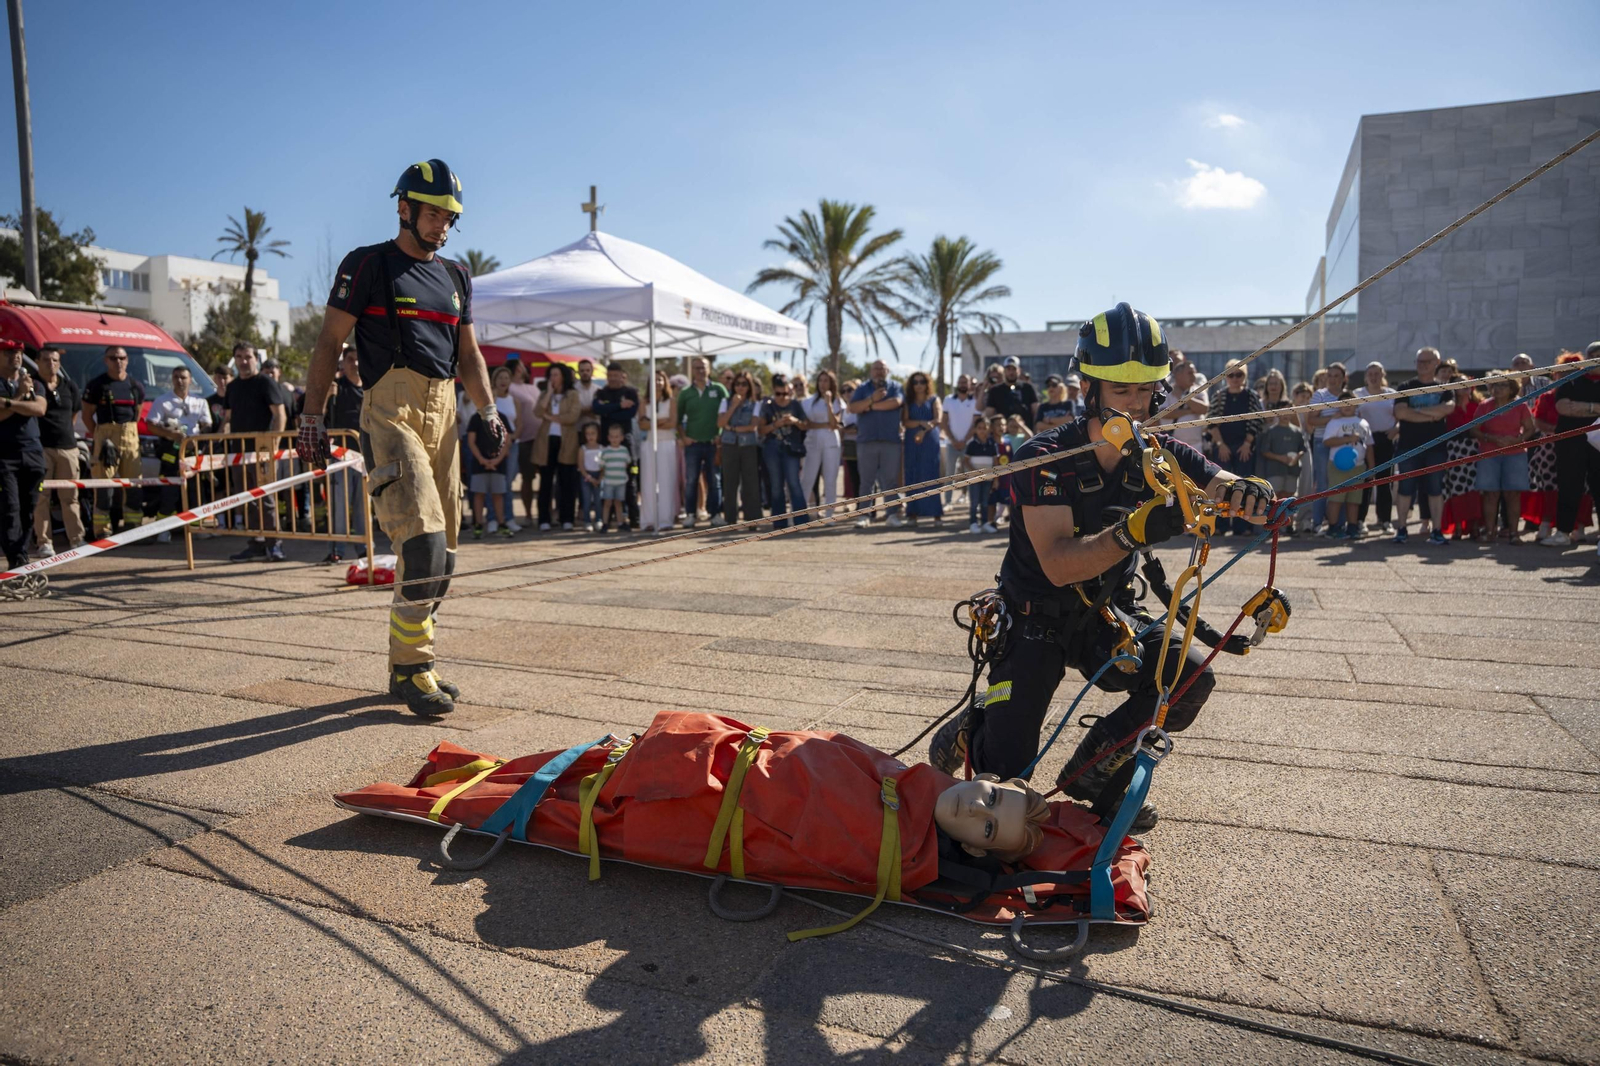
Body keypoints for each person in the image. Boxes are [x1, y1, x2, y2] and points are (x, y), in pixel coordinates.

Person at [929, 303, 1273, 833]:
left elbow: (1217, 480)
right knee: (1003, 789)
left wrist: (1249, 492)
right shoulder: (1045, 456)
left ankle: (1094, 776)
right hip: (1032, 619)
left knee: (1187, 676)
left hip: (1107, 617)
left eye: (1145, 390)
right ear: (1090, 386)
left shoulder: (1161, 456)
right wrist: (1133, 531)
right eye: (1121, 392)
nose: (1136, 405)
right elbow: (1061, 564)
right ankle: (974, 726)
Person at [336, 710, 1152, 925]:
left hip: (701, 808)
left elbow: (805, 822)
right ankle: (465, 774)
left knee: (559, 806)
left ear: (969, 849)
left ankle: (434, 793)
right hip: (710, 760)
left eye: (985, 827)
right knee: (572, 772)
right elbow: (816, 755)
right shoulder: (905, 779)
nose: (977, 806)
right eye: (994, 796)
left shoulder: (897, 847)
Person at [296, 158, 506, 716]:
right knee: (422, 542)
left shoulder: (457, 276)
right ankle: (412, 668)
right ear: (404, 208)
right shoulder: (367, 265)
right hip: (389, 411)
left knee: (448, 555)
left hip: (445, 412)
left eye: (450, 216)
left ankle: (415, 663)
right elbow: (327, 345)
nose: (442, 225)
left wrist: (488, 410)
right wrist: (311, 417)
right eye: (434, 213)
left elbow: (470, 354)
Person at [225, 344, 290, 561]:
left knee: (267, 500)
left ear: (256, 358)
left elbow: (280, 415)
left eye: (248, 357)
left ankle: (274, 545)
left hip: (263, 453)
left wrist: (273, 445)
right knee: (247, 500)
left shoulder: (265, 382)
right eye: (239, 357)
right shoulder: (232, 387)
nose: (244, 361)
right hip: (238, 454)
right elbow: (227, 419)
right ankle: (255, 544)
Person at [1390, 347, 1455, 546]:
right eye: (1419, 361)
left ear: (1437, 363)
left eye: (1427, 361)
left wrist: (1415, 411)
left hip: (1436, 447)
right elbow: (1400, 413)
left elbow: (1447, 409)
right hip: (1408, 446)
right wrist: (1432, 414)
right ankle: (1401, 529)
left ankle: (1436, 530)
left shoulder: (1444, 389)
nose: (1423, 365)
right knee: (1405, 488)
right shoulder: (1405, 386)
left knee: (1435, 488)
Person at [81, 345, 146, 536]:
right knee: (103, 486)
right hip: (105, 435)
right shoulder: (97, 385)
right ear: (105, 360)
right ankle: (102, 531)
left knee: (134, 485)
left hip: (130, 435)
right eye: (113, 358)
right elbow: (86, 416)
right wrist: (100, 438)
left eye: (122, 358)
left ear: (127, 360)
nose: (118, 362)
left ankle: (133, 529)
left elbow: (137, 414)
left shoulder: (136, 386)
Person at [1541, 340, 1600, 548]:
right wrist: (1596, 408)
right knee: (1568, 486)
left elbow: (1572, 407)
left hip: (1598, 445)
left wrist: (1581, 408)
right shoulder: (1572, 379)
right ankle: (1563, 532)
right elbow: (1563, 407)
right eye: (1594, 355)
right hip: (1570, 442)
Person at [0, 339, 46, 595]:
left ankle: (21, 558)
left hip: (33, 454)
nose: (15, 357)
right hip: (4, 456)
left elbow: (39, 409)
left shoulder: (34, 382)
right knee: (10, 508)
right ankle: (15, 562)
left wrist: (7, 403)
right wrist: (18, 398)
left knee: (29, 509)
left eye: (18, 353)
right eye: (8, 353)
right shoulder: (16, 386)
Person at [146, 366, 213, 542]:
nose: (180, 380)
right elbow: (151, 424)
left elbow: (207, 425)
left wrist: (197, 441)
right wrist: (170, 434)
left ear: (190, 380)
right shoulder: (163, 401)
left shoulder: (200, 402)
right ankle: (163, 529)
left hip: (193, 451)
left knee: (195, 490)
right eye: (176, 377)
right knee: (170, 490)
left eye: (183, 377)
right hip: (171, 452)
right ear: (172, 380)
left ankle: (195, 527)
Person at [30, 345, 85, 556]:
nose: (50, 364)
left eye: (54, 360)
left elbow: (73, 415)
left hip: (68, 448)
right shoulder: (32, 384)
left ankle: (77, 539)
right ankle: (44, 542)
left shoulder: (69, 386)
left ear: (59, 363)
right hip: (41, 448)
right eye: (45, 360)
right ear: (38, 361)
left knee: (70, 497)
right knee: (41, 498)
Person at [1472, 371, 1536, 543]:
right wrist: (1490, 438)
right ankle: (1490, 532)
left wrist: (1518, 439)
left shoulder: (1520, 405)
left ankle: (1514, 533)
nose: (1498, 388)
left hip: (1515, 454)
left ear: (1511, 387)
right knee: (1490, 494)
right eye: (1494, 385)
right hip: (1489, 453)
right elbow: (1474, 428)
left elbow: (1530, 428)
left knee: (1513, 494)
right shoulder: (1485, 405)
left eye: (1502, 385)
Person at [1207, 360, 1264, 535]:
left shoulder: (1251, 395)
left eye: (1239, 374)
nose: (1235, 378)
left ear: (1245, 377)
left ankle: (1241, 526)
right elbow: (1211, 422)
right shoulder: (1218, 396)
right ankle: (1220, 525)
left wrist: (1247, 444)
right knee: (1220, 484)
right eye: (1231, 374)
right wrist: (1220, 445)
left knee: (1244, 484)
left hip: (1243, 447)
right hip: (1222, 445)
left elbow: (1257, 420)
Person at [321, 344, 366, 564]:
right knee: (339, 505)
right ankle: (337, 548)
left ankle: (364, 547)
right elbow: (318, 415)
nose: (355, 364)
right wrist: (327, 396)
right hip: (340, 456)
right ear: (344, 362)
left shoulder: (369, 388)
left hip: (364, 457)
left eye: (358, 360)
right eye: (350, 359)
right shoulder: (335, 388)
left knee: (362, 506)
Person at [848, 361, 905, 528]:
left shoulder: (896, 386)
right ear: (871, 371)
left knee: (890, 480)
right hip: (867, 440)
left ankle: (891, 514)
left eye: (882, 369)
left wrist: (869, 405)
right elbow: (853, 408)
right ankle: (864, 515)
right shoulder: (862, 388)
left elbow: (895, 402)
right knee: (866, 481)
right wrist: (872, 399)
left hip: (890, 440)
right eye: (876, 369)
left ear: (888, 370)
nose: (879, 372)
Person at [757, 374, 809, 531]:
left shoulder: (795, 405)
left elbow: (806, 425)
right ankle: (780, 523)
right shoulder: (767, 405)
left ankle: (801, 521)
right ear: (773, 391)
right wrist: (776, 424)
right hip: (772, 447)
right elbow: (761, 430)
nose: (782, 397)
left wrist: (795, 421)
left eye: (785, 393)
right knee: (776, 485)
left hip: (791, 448)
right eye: (778, 394)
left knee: (794, 483)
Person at [678, 357, 726, 526]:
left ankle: (715, 514)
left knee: (715, 480)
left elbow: (727, 414)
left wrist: (721, 434)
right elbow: (677, 420)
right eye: (697, 368)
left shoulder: (719, 390)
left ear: (709, 369)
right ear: (692, 370)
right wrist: (683, 437)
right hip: (693, 445)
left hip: (714, 443)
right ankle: (691, 514)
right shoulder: (685, 393)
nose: (700, 371)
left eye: (703, 367)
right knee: (691, 480)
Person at [592, 363, 641, 529]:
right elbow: (597, 408)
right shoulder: (601, 392)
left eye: (616, 375)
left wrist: (608, 410)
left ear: (622, 375)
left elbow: (631, 413)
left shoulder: (630, 392)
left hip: (627, 443)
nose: (613, 378)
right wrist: (619, 406)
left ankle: (633, 517)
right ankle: (609, 519)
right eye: (610, 375)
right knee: (607, 480)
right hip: (606, 443)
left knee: (630, 480)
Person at [1351, 361, 1398, 534]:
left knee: (1385, 481)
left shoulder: (1392, 394)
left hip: (1385, 439)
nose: (1373, 377)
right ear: (1365, 376)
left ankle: (1385, 520)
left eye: (1377, 373)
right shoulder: (1357, 394)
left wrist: (1396, 429)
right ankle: (1360, 520)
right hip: (1364, 441)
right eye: (1370, 374)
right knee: (1366, 480)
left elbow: (1399, 415)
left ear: (1383, 375)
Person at [1320, 394, 1374, 539]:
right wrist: (1348, 439)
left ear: (1356, 404)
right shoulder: (1334, 422)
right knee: (1336, 498)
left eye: (1351, 403)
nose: (1347, 406)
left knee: (1354, 500)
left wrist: (1372, 467)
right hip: (1337, 466)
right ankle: (1333, 528)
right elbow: (1327, 442)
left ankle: (1352, 527)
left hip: (1359, 466)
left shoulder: (1363, 422)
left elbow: (1369, 446)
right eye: (1344, 403)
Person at [533, 363, 581, 529]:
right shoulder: (545, 394)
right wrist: (549, 393)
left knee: (566, 482)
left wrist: (551, 417)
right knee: (545, 482)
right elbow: (538, 412)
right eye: (551, 375)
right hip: (546, 441)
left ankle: (567, 518)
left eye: (556, 375)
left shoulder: (573, 394)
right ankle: (544, 519)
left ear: (563, 377)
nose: (553, 378)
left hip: (566, 442)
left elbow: (572, 417)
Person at [637, 369, 680, 532]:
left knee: (666, 482)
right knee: (648, 482)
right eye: (654, 380)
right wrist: (660, 421)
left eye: (660, 380)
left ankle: (665, 520)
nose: (657, 383)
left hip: (667, 443)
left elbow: (672, 423)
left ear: (665, 382)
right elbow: (642, 424)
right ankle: (648, 520)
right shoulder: (644, 402)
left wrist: (652, 422)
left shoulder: (671, 401)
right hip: (649, 444)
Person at [1306, 362, 1347, 533]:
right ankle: (1317, 523)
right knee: (1322, 484)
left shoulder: (1348, 396)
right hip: (1322, 443)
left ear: (1343, 378)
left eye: (1337, 376)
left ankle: (1338, 523)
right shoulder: (1319, 395)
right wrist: (1334, 418)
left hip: (1343, 445)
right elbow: (1311, 420)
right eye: (1330, 375)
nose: (1333, 379)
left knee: (1343, 484)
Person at [1255, 397, 1306, 533]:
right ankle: (1273, 525)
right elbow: (1265, 451)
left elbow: (1303, 448)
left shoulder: (1296, 431)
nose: (1285, 415)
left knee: (1290, 497)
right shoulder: (1271, 431)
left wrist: (1296, 458)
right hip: (1275, 470)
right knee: (1275, 498)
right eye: (1282, 411)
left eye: (1289, 411)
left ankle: (1289, 526)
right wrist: (1281, 458)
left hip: (1292, 470)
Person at [717, 371, 762, 526]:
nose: (740, 387)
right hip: (730, 445)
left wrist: (734, 428)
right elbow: (721, 423)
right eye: (737, 384)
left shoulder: (755, 404)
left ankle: (752, 519)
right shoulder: (726, 401)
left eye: (744, 384)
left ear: (749, 386)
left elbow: (753, 426)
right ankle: (730, 519)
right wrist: (734, 406)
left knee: (750, 483)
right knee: (730, 483)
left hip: (748, 446)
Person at [800, 368, 844, 519]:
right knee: (807, 478)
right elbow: (807, 424)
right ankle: (800, 515)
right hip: (812, 441)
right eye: (820, 380)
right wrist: (823, 425)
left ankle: (830, 514)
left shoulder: (837, 402)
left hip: (831, 442)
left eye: (826, 381)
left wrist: (829, 404)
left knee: (830, 479)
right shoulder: (808, 402)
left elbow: (834, 424)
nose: (823, 384)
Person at [901, 371, 943, 526]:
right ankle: (912, 514)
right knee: (912, 473)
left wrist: (924, 429)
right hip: (912, 440)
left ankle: (936, 514)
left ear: (927, 383)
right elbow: (905, 421)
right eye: (915, 382)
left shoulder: (934, 399)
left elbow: (937, 419)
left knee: (931, 474)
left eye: (922, 382)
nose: (919, 385)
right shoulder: (908, 400)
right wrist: (921, 423)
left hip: (930, 439)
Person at [1152, 359, 1208, 455]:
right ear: (1178, 375)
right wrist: (1191, 410)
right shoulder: (1166, 393)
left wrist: (1183, 397)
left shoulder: (1199, 390)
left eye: (1194, 372)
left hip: (1196, 446)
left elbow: (1204, 409)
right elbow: (1163, 413)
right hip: (1172, 444)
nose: (1194, 376)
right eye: (1190, 373)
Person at [940, 374, 979, 507]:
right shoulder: (948, 400)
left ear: (969, 384)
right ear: (957, 383)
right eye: (960, 382)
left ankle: (968, 498)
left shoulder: (974, 402)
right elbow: (944, 422)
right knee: (949, 473)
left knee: (969, 472)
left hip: (969, 444)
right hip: (951, 444)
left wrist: (964, 440)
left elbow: (975, 424)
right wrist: (953, 439)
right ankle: (948, 501)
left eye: (965, 382)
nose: (963, 384)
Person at [964, 416, 999, 533]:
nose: (982, 430)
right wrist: (974, 471)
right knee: (974, 502)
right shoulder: (972, 444)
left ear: (989, 429)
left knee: (985, 501)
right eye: (979, 428)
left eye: (985, 428)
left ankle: (984, 523)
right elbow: (966, 460)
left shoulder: (992, 444)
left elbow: (995, 462)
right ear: (975, 429)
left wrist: (995, 479)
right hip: (973, 478)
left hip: (988, 478)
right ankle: (973, 523)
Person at [597, 422, 631, 533]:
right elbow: (601, 466)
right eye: (612, 436)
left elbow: (627, 463)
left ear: (621, 437)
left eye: (617, 436)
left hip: (621, 482)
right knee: (607, 503)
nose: (614, 439)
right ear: (608, 438)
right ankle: (605, 523)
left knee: (618, 503)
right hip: (608, 482)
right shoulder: (605, 451)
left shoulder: (624, 450)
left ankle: (621, 523)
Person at [577, 422, 605, 531]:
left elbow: (604, 466)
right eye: (587, 434)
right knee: (587, 500)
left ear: (598, 434)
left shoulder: (602, 448)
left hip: (599, 476)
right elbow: (581, 465)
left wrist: (600, 478)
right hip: (586, 476)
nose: (590, 436)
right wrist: (589, 477)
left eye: (593, 433)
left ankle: (598, 519)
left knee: (598, 500)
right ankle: (587, 521)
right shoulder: (583, 449)